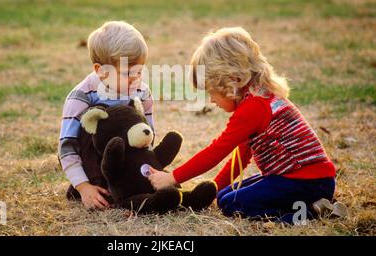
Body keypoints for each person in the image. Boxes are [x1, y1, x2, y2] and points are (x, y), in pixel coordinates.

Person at [148, 27, 345, 223]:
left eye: (212, 91)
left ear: (231, 81)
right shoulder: (260, 96)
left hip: (305, 181)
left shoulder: (253, 107)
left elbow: (216, 150)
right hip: (302, 180)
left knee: (232, 204)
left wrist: (172, 178)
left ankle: (310, 211)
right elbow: (241, 155)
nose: (211, 100)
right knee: (224, 196)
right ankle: (315, 202)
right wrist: (213, 190)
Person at [59, 21, 153, 210]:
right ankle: (95, 186)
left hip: (127, 165)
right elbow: (67, 147)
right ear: (100, 71)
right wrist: (83, 187)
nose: (136, 79)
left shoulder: (141, 92)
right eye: (128, 73)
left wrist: (148, 171)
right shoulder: (81, 97)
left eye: (140, 71)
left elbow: (148, 135)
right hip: (94, 166)